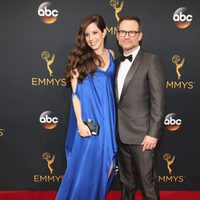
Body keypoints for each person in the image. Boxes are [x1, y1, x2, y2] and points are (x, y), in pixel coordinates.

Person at [56, 14, 118, 200]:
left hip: (108, 119)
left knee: (108, 167)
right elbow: (76, 96)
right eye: (87, 34)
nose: (91, 38)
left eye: (95, 32)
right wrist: (81, 124)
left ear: (105, 32)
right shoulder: (80, 60)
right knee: (86, 168)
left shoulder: (112, 55)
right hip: (89, 122)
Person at [115, 14, 166, 200]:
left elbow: (158, 101)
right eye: (122, 31)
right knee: (126, 184)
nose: (126, 36)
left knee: (148, 185)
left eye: (132, 32)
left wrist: (153, 133)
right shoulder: (116, 63)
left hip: (143, 137)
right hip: (120, 136)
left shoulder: (151, 61)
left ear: (140, 35)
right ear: (117, 35)